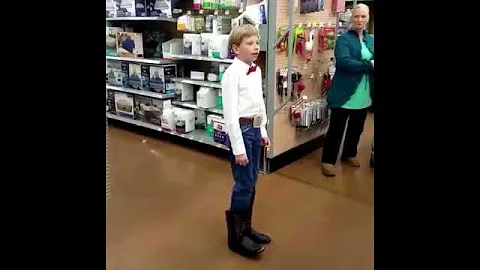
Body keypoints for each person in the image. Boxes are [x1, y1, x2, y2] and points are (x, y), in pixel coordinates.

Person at [222, 24, 271, 258]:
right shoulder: (231, 74)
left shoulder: (256, 70)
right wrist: (239, 149)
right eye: (249, 44)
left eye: (257, 43)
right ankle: (236, 238)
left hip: (253, 129)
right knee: (243, 184)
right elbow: (230, 115)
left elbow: (259, 105)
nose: (255, 48)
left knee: (252, 182)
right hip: (240, 132)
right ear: (235, 48)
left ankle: (247, 229)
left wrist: (262, 131)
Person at [321, 3, 374, 176]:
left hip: (364, 93)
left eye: (363, 16)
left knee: (357, 127)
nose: (359, 19)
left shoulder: (371, 39)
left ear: (368, 18)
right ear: (352, 17)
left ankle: (349, 153)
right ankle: (328, 160)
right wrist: (369, 65)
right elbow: (344, 62)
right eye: (356, 16)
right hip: (345, 93)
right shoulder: (344, 39)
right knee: (337, 128)